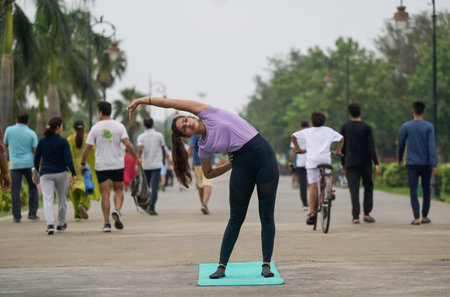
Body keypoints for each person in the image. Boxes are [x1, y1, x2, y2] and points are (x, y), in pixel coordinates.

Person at [127, 96, 279, 279]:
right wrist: (229, 165)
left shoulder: (208, 112)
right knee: (236, 217)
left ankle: (266, 265)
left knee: (266, 214)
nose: (188, 124)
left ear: (191, 117)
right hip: (241, 165)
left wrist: (142, 101)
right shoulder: (204, 147)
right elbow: (208, 173)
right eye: (184, 128)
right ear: (187, 136)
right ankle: (221, 267)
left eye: (186, 120)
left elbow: (171, 103)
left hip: (265, 158)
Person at [81, 101, 140, 232]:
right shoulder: (119, 127)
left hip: (101, 165)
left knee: (105, 194)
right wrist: (137, 158)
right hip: (117, 164)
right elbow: (128, 144)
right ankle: (117, 211)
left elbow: (88, 148)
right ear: (110, 111)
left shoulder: (95, 128)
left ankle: (107, 223)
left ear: (100, 112)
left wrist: (83, 163)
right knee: (119, 190)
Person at [291, 111, 344, 225]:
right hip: (325, 159)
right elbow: (341, 139)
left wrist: (299, 149)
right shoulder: (329, 130)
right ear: (324, 121)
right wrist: (338, 151)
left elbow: (293, 136)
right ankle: (330, 190)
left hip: (312, 161)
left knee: (313, 186)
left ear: (312, 121)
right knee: (328, 174)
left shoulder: (307, 131)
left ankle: (311, 213)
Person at [34, 117, 76, 235]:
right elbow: (68, 159)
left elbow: (36, 159)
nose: (62, 128)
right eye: (62, 126)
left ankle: (50, 224)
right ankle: (61, 224)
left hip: (46, 174)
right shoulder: (63, 141)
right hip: (61, 173)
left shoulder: (42, 141)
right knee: (62, 200)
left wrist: (35, 173)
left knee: (47, 200)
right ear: (58, 127)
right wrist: (73, 173)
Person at [398, 101, 438, 225]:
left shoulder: (406, 126)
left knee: (413, 190)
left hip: (412, 164)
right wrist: (434, 164)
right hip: (426, 164)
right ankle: (424, 216)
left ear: (413, 111)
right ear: (424, 111)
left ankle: (416, 218)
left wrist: (400, 158)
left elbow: (401, 144)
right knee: (427, 190)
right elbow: (432, 146)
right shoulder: (429, 127)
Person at [340, 103, 381, 224]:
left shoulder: (345, 127)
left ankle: (355, 216)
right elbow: (371, 147)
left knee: (354, 189)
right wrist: (376, 163)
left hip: (350, 162)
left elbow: (342, 146)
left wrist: (343, 163)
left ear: (349, 114)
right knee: (368, 186)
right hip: (365, 163)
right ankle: (367, 213)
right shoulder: (366, 127)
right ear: (361, 112)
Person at [3, 112, 39, 223]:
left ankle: (16, 216)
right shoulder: (31, 133)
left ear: (16, 119)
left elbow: (5, 144)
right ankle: (32, 214)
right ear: (27, 121)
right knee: (33, 188)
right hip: (30, 164)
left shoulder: (9, 130)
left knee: (15, 190)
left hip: (15, 165)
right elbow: (35, 150)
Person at [67, 120, 101, 221]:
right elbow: (93, 150)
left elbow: (68, 154)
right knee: (86, 188)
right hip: (85, 167)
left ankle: (77, 214)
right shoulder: (87, 138)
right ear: (84, 127)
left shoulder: (70, 139)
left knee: (74, 191)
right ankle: (83, 205)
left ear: (74, 128)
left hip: (74, 167)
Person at [136, 117, 166, 216]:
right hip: (156, 164)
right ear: (152, 124)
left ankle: (147, 205)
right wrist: (164, 159)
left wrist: (138, 159)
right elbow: (163, 149)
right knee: (154, 187)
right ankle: (151, 207)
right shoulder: (159, 135)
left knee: (147, 187)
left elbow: (140, 150)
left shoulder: (141, 137)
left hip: (145, 164)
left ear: (144, 125)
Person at [188, 134, 215, 215]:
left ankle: (203, 204)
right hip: (210, 161)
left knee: (200, 185)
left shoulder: (195, 134)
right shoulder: (211, 131)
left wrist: (187, 161)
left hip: (198, 162)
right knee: (207, 183)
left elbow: (191, 148)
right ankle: (204, 204)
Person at [288, 119, 309, 211]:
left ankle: (305, 204)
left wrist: (291, 161)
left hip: (301, 161)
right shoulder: (311, 134)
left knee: (303, 184)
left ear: (300, 126)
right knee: (315, 182)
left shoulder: (297, 134)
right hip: (312, 160)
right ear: (308, 126)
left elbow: (293, 151)